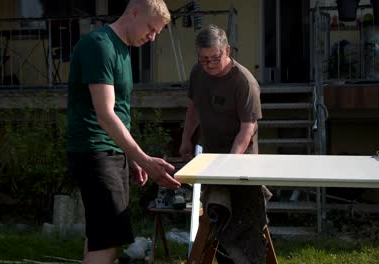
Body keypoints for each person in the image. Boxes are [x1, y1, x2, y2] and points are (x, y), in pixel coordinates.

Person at [66, 0, 181, 263]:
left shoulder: (123, 49)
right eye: (151, 29)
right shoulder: (100, 45)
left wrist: (129, 158)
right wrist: (143, 159)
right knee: (109, 240)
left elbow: (120, 111)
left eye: (156, 33)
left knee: (101, 236)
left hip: (110, 150)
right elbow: (105, 114)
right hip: (94, 149)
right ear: (135, 12)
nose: (151, 38)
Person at [179, 24, 270, 263]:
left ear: (227, 50)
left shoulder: (244, 82)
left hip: (241, 163)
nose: (208, 65)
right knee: (218, 216)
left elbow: (247, 129)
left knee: (244, 224)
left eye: (214, 59)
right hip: (211, 158)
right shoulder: (198, 73)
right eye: (203, 59)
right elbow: (194, 108)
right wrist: (186, 138)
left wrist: (230, 163)